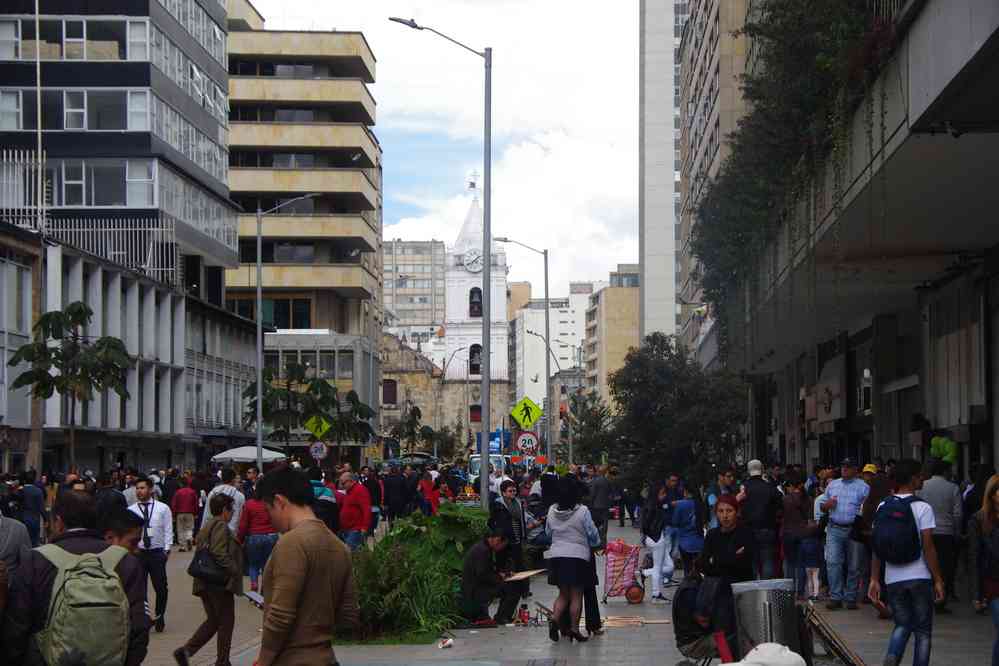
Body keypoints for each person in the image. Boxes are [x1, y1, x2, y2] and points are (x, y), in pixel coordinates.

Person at [2, 490, 149, 665]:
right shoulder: (125, 561)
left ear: (58, 522)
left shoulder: (36, 560)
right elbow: (139, 627)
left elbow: (17, 627)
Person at [253, 467, 359, 666]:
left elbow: (280, 616)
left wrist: (264, 660)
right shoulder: (339, 547)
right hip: (326, 658)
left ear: (279, 502)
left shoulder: (291, 543)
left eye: (268, 510)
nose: (269, 519)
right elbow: (349, 615)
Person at [868, 459, 946, 666]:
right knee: (923, 632)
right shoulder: (922, 507)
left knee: (901, 625)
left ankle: (892, 660)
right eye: (920, 476)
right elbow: (928, 547)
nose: (922, 479)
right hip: (920, 577)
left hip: (893, 578)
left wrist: (874, 578)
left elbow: (877, 545)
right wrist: (938, 579)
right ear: (912, 479)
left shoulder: (883, 505)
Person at [173, 493, 243, 666]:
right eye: (231, 509)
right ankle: (222, 661)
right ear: (225, 510)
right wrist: (234, 570)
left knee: (213, 621)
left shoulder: (207, 525)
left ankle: (186, 651)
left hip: (205, 581)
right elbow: (219, 552)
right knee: (226, 622)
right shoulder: (220, 525)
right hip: (218, 582)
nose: (233, 512)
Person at [544, 476, 601, 643]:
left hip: (557, 556)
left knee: (563, 594)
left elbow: (548, 533)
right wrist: (595, 543)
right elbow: (592, 534)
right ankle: (575, 629)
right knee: (577, 595)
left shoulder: (551, 510)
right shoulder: (582, 511)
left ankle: (555, 619)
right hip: (577, 557)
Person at [822, 458, 870, 610]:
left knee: (854, 565)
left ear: (856, 469)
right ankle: (835, 596)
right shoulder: (832, 485)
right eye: (843, 466)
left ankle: (850, 597)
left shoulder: (863, 487)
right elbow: (823, 506)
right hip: (834, 528)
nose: (844, 469)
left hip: (853, 530)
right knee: (832, 562)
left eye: (848, 467)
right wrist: (827, 505)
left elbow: (868, 509)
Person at [128, 474, 174, 632]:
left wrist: (167, 549)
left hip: (156, 553)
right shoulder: (131, 510)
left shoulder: (162, 508)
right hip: (138, 553)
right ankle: (144, 618)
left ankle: (160, 616)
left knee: (161, 588)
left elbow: (168, 529)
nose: (139, 492)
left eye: (142, 488)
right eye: (137, 489)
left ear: (151, 489)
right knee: (139, 588)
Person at [917, 458, 962, 612]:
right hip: (946, 532)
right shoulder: (953, 488)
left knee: (926, 566)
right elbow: (957, 514)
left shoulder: (922, 487)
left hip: (926, 532)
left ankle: (926, 599)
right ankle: (940, 600)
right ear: (945, 471)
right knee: (945, 568)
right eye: (950, 470)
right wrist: (957, 532)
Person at [459, 528, 521, 626]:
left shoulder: (483, 547)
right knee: (512, 589)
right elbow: (483, 575)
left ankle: (502, 616)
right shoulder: (483, 551)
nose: (500, 549)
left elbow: (486, 570)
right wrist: (501, 578)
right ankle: (502, 617)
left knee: (509, 586)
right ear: (497, 540)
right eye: (502, 545)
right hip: (475, 589)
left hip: (477, 585)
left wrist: (501, 574)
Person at [969, 474, 999, 665]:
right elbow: (975, 557)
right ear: (992, 494)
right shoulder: (979, 519)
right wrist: (976, 593)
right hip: (993, 581)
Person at [740, 459, 783, 579]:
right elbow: (780, 501)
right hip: (767, 527)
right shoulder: (769, 486)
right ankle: (766, 590)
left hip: (748, 529)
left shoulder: (744, 488)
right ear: (762, 470)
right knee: (767, 560)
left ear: (748, 471)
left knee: (751, 561)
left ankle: (753, 590)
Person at [489, 479, 529, 606]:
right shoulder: (498, 505)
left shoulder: (518, 503)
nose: (513, 493)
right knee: (503, 565)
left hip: (517, 538)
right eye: (510, 491)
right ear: (503, 493)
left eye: (514, 491)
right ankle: (503, 591)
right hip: (505, 541)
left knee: (519, 565)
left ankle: (522, 590)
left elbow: (521, 519)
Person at [781, 471, 816, 598]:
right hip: (804, 534)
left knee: (790, 564)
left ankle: (789, 592)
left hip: (789, 534)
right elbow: (811, 519)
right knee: (801, 564)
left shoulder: (785, 499)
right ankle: (800, 592)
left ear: (791, 485)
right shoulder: (809, 499)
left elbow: (781, 516)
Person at [238, 487, 278, 592]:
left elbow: (243, 524)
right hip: (271, 536)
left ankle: (254, 583)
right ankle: (265, 587)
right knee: (267, 566)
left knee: (253, 565)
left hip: (254, 537)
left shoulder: (249, 504)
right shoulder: (272, 504)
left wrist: (240, 538)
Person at [642, 482, 674, 603]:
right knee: (658, 567)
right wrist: (653, 536)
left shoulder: (654, 505)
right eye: (662, 493)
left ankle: (645, 572)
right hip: (656, 539)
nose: (664, 496)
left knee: (669, 566)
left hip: (657, 538)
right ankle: (656, 594)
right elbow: (646, 524)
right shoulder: (654, 507)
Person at [673, 485, 705, 576]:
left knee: (688, 569)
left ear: (686, 492)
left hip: (685, 542)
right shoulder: (699, 504)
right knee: (700, 569)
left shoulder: (681, 505)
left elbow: (675, 521)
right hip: (700, 542)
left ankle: (689, 587)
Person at [201, 468, 245, 533]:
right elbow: (241, 516)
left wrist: (203, 529)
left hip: (213, 531)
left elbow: (207, 513)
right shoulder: (240, 496)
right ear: (233, 479)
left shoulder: (213, 493)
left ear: (221, 478)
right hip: (232, 532)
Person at [338, 472, 372, 551]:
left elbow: (366, 509)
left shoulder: (360, 490)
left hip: (356, 529)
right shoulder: (349, 491)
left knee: (349, 552)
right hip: (347, 529)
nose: (342, 486)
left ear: (351, 481)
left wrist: (364, 527)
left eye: (343, 483)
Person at [172, 477, 199, 552]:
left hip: (180, 513)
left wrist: (174, 515)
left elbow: (174, 504)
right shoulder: (192, 492)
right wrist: (196, 513)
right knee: (189, 528)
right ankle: (189, 538)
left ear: (181, 484)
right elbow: (196, 503)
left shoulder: (178, 492)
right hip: (190, 513)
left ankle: (182, 546)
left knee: (180, 529)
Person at [587, 465, 613, 544]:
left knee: (596, 523)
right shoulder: (608, 481)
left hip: (596, 506)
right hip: (605, 506)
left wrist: (590, 504)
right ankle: (603, 540)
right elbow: (610, 493)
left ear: (599, 472)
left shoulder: (595, 481)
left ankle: (597, 540)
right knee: (605, 524)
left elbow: (592, 494)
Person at [19, 471, 45, 547]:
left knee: (22, 542)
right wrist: (46, 519)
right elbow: (41, 507)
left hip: (22, 518)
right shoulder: (38, 491)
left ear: (24, 480)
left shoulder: (20, 490)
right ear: (34, 480)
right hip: (34, 518)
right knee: (34, 541)